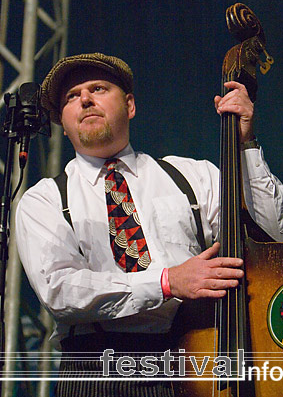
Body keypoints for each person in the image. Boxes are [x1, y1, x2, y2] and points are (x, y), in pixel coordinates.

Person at [16, 53, 283, 397]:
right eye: (71, 96)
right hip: (95, 371)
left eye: (98, 88)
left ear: (129, 105)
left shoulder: (193, 175)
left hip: (193, 362)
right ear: (63, 123)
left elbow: (271, 233)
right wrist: (168, 281)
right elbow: (61, 291)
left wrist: (245, 143)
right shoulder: (45, 199)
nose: (84, 99)